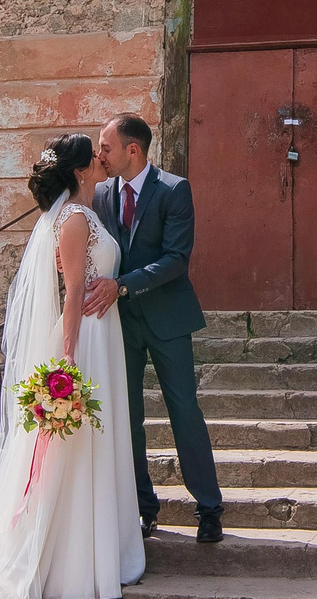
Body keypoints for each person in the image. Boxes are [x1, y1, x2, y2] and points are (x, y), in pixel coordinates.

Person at [0, 134, 145, 599]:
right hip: (87, 339)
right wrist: (69, 359)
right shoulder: (75, 219)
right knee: (78, 447)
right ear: (80, 171)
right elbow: (72, 292)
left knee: (97, 443)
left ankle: (102, 548)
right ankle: (72, 562)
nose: (102, 158)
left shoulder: (86, 212)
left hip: (103, 334)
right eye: (95, 154)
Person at [86, 114, 224, 544]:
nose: (99, 155)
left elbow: (176, 259)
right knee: (127, 419)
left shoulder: (174, 190)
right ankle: (143, 509)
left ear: (133, 150)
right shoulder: (101, 193)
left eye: (106, 147)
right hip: (119, 323)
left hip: (168, 318)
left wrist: (123, 285)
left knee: (185, 411)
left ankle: (209, 509)